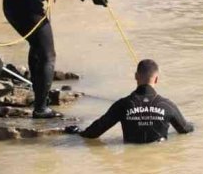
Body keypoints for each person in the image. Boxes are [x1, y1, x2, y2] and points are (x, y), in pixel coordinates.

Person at [66, 58, 194, 144]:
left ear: (136, 76)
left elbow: (94, 132)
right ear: (156, 79)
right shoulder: (167, 106)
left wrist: (76, 133)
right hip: (157, 162)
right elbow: (186, 130)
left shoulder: (123, 105)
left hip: (131, 165)